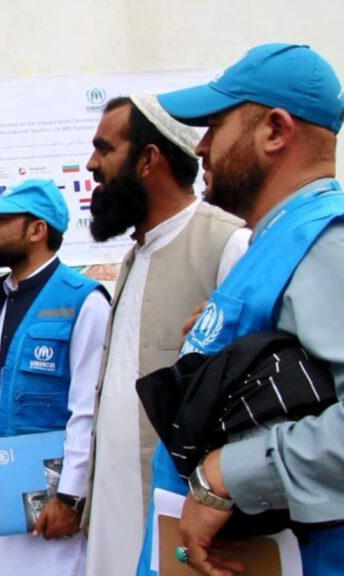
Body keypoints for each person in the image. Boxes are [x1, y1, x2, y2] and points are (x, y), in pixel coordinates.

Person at [138, 43, 344, 576]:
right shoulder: (277, 241)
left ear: (274, 131)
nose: (201, 147)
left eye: (214, 126)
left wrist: (230, 474)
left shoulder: (328, 243)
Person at [81, 93, 249, 576]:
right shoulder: (135, 256)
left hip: (179, 515)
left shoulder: (227, 243)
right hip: (113, 509)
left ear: (148, 159)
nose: (92, 165)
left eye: (104, 149)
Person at [0, 179, 110, 575]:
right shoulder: (5, 294)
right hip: (2, 479)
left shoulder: (84, 302)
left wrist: (71, 497)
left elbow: (89, 411)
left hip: (53, 490)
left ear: (37, 230)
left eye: (1, 218)